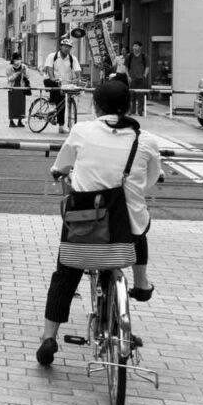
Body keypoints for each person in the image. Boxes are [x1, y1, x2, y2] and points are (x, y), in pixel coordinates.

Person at [35, 80, 162, 366]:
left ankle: (48, 337)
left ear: (95, 106)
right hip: (125, 229)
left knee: (65, 275)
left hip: (87, 225)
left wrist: (58, 171)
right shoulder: (146, 140)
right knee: (138, 223)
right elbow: (151, 179)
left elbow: (62, 165)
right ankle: (141, 284)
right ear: (129, 106)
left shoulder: (81, 131)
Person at [41, 38, 82, 134]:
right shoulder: (52, 56)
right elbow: (49, 68)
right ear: (61, 47)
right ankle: (51, 107)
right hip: (50, 80)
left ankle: (61, 126)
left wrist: (78, 79)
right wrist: (52, 78)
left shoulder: (72, 58)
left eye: (69, 47)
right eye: (65, 47)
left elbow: (77, 70)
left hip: (64, 83)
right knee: (55, 85)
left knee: (62, 102)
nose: (67, 49)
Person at [126, 41, 150, 116]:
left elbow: (147, 67)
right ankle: (132, 110)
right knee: (131, 95)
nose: (134, 47)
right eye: (133, 46)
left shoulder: (144, 56)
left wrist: (145, 76)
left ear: (140, 47)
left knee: (141, 95)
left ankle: (140, 111)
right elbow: (126, 67)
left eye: (136, 46)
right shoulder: (129, 56)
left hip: (141, 79)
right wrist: (128, 76)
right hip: (132, 79)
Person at [5, 52, 29, 127]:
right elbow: (9, 79)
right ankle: (11, 121)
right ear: (13, 59)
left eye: (20, 59)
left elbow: (28, 76)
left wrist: (24, 73)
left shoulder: (24, 66)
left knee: (21, 105)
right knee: (12, 105)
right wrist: (17, 73)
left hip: (21, 88)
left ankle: (20, 121)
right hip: (12, 89)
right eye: (17, 59)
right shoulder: (9, 67)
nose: (18, 60)